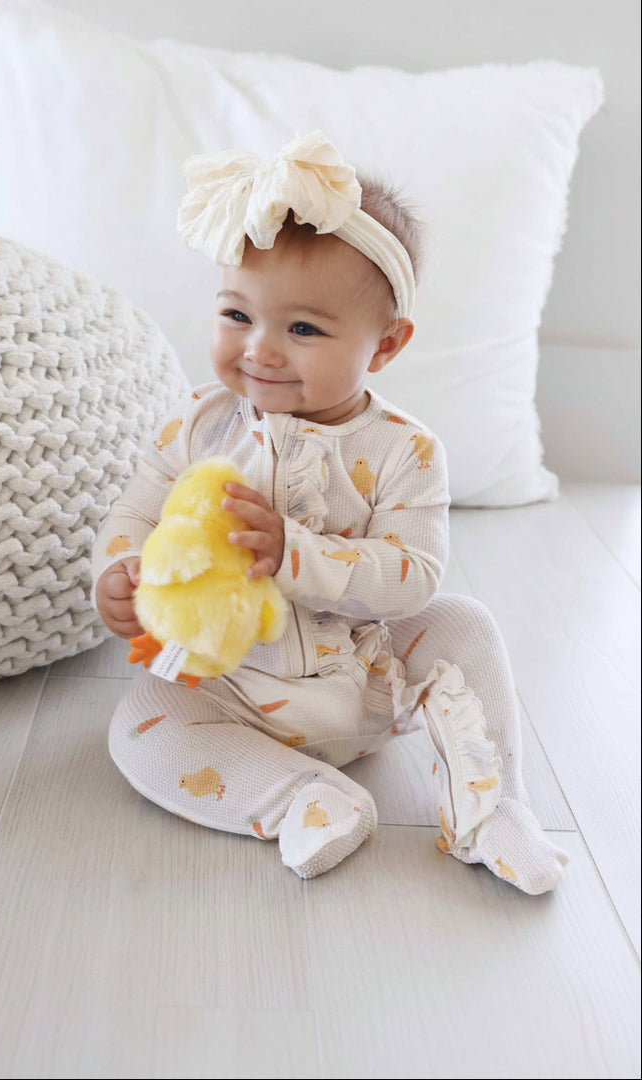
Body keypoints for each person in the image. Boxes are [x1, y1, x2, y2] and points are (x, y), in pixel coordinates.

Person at [91, 131, 568, 892]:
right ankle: (303, 799)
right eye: (237, 315)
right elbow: (136, 513)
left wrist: (295, 554)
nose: (260, 350)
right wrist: (120, 573)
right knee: (138, 726)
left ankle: (492, 810)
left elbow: (412, 576)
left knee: (463, 622)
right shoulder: (196, 424)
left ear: (386, 346)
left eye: (303, 328)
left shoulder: (403, 451)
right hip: (233, 686)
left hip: (364, 676)